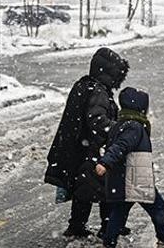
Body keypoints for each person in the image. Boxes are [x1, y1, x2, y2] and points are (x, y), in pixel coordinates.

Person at [44, 47, 130, 239]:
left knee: (84, 189)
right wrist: (118, 128)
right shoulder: (98, 91)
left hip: (79, 150)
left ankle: (77, 226)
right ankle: (107, 227)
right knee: (107, 189)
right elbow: (97, 120)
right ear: (109, 73)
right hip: (93, 150)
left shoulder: (84, 85)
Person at [96, 87, 164, 248]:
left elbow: (116, 145)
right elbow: (121, 145)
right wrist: (105, 162)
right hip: (135, 178)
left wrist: (106, 162)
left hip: (123, 178)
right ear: (140, 108)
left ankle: (109, 242)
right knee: (157, 206)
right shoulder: (134, 126)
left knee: (119, 211)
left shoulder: (120, 124)